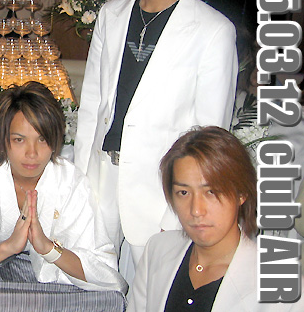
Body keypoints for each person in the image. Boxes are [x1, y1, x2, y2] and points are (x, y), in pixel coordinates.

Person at [74, 0, 238, 280]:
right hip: (100, 180)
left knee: (149, 295)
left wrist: (179, 210)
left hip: (159, 196)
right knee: (91, 289)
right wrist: (80, 181)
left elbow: (209, 137)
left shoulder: (213, 31)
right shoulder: (111, 15)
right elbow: (93, 105)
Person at [0, 82, 126, 311]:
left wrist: (47, 248)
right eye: (19, 139)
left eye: (42, 139)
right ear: (3, 139)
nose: (32, 153)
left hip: (53, 288)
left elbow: (103, 273)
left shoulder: (70, 183)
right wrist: (8, 247)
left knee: (109, 301)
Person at [128, 126, 304, 311]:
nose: (196, 210)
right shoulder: (158, 249)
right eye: (184, 192)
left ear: (241, 193)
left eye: (211, 192)